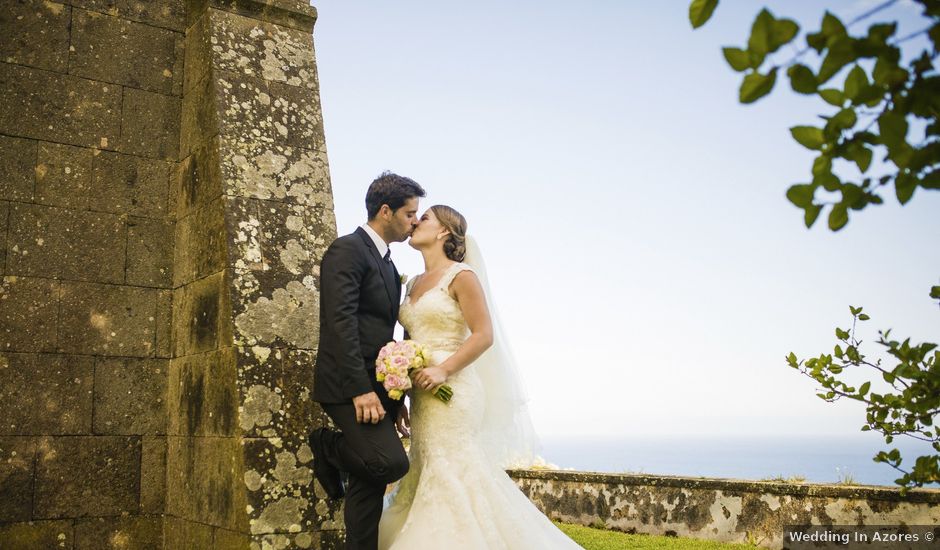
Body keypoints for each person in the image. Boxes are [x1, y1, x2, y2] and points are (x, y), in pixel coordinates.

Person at [377, 205, 583, 549]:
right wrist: (400, 390)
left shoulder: (462, 276)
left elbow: (483, 335)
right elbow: (409, 341)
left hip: (454, 390)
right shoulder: (411, 283)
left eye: (424, 218)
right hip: (421, 393)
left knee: (452, 468)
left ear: (444, 231)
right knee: (426, 465)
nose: (414, 222)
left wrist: (444, 368)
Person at [310, 171, 426, 550]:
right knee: (392, 463)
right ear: (386, 210)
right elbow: (338, 323)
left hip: (379, 390)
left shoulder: (391, 268)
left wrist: (396, 399)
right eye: (410, 214)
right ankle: (326, 445)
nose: (414, 222)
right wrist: (361, 389)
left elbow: (382, 337)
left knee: (369, 482)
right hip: (347, 386)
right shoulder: (347, 250)